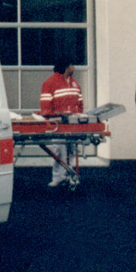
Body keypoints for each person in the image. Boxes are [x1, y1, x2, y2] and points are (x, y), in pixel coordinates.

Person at [40, 59, 84, 187]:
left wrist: (79, 118)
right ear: (67, 66)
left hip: (72, 124)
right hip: (58, 124)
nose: (74, 67)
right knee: (59, 150)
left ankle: (71, 176)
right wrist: (56, 118)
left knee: (72, 150)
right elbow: (45, 107)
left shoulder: (75, 83)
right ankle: (58, 177)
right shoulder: (49, 83)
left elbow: (80, 104)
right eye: (72, 65)